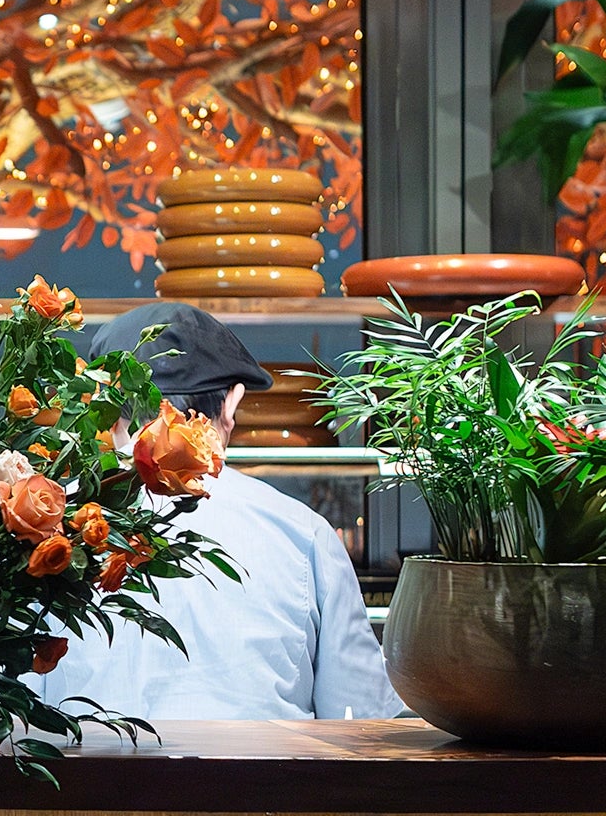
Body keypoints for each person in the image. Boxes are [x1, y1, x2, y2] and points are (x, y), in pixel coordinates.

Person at [37, 303, 401, 721]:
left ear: (108, 409)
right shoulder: (305, 535)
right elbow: (362, 722)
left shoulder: (46, 529)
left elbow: (7, 721)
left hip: (86, 787)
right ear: (231, 405)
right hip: (268, 787)